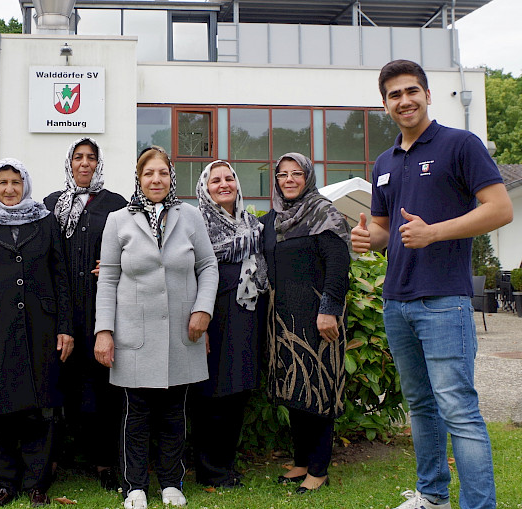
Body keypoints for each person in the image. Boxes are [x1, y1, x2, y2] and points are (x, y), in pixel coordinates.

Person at [351, 59, 512, 509]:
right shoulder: (385, 161)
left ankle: (478, 505)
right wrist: (368, 239)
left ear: (427, 94)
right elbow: (385, 231)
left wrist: (435, 231)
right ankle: (433, 495)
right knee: (420, 407)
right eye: (395, 95)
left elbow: (500, 209)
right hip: (397, 301)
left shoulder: (460, 145)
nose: (404, 101)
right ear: (384, 104)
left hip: (444, 300)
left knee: (459, 409)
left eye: (411, 91)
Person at [94, 146, 218, 509]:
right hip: (134, 332)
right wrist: (105, 331)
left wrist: (203, 310)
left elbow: (208, 266)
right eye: (149, 173)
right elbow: (109, 278)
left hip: (183, 332)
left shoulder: (190, 216)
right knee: (136, 414)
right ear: (139, 177)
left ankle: (171, 482)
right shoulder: (119, 220)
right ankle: (134, 486)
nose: (156, 180)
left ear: (171, 177)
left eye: (162, 173)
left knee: (174, 413)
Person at [0, 158, 74, 508]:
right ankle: (5, 483)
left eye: (16, 182)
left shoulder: (44, 219)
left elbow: (60, 276)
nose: (9, 189)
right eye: (2, 182)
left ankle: (36, 483)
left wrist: (66, 327)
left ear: (26, 183)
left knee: (41, 410)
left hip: (42, 328)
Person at [261, 152, 351, 495]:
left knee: (318, 390)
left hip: (317, 319)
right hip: (283, 321)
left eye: (296, 173)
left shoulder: (322, 212)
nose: (289, 180)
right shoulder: (271, 220)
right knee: (294, 389)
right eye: (282, 175)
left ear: (308, 176)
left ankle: (318, 468)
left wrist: (329, 309)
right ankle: (300, 461)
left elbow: (338, 263)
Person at [43, 138, 127, 490]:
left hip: (99, 311)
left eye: (91, 158)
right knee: (57, 388)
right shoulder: (50, 204)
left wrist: (116, 264)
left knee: (102, 391)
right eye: (78, 157)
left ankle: (104, 462)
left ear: (98, 164)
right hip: (59, 312)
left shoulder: (117, 204)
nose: (84, 163)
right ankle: (51, 460)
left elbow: (134, 245)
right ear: (69, 163)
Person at [191, 160, 268, 488]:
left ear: (237, 184)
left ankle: (226, 463)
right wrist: (201, 323)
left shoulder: (254, 225)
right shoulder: (194, 225)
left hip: (247, 319)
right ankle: (211, 469)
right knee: (212, 395)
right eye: (215, 180)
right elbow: (187, 276)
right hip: (213, 320)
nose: (223, 184)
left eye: (228, 179)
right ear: (204, 189)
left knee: (238, 391)